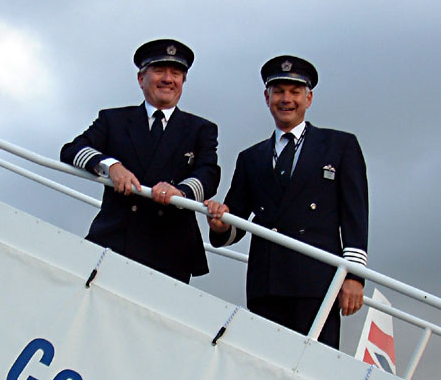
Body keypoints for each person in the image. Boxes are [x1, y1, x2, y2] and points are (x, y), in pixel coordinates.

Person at [205, 55, 368, 348]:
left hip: (317, 281)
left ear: (309, 98)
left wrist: (354, 276)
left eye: (294, 92)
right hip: (267, 284)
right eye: (278, 91)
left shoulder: (340, 146)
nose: (286, 99)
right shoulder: (250, 157)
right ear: (267, 98)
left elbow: (355, 215)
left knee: (315, 368)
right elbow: (235, 222)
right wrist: (219, 224)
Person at [61, 38, 220, 284]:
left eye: (176, 73)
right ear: (141, 79)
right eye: (159, 71)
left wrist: (180, 191)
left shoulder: (201, 129)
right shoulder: (114, 120)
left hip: (170, 250)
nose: (168, 79)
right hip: (115, 239)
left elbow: (208, 174)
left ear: (182, 82)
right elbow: (73, 149)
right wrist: (111, 166)